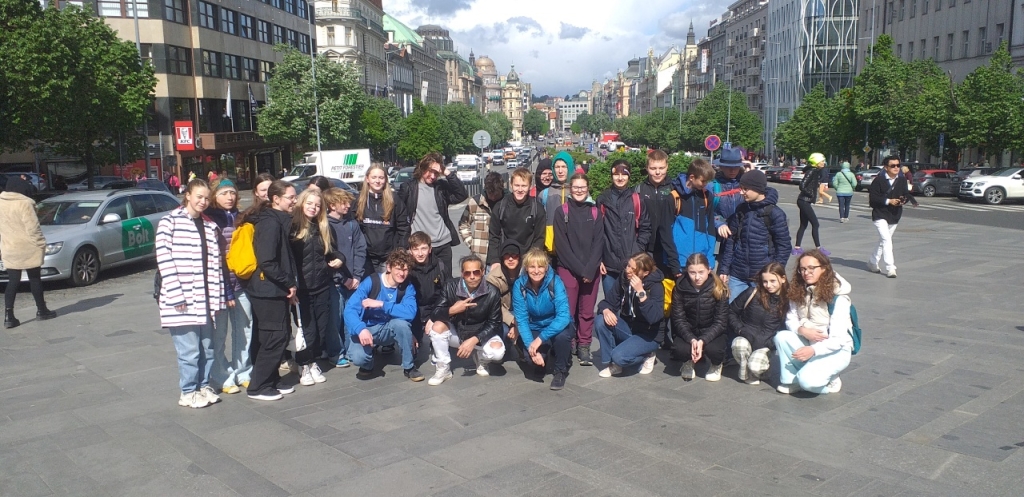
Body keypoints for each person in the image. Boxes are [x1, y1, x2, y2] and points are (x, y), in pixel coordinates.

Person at [155, 179, 225, 408]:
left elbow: (215, 265)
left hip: (206, 297)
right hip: (182, 298)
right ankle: (188, 391)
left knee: (208, 348)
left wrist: (218, 297)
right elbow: (164, 259)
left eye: (207, 198)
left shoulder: (209, 225)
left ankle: (203, 386)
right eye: (199, 197)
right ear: (188, 195)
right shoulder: (170, 222)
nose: (203, 202)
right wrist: (176, 295)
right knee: (189, 350)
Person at [238, 180, 299, 401]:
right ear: (276, 199)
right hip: (267, 289)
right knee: (274, 336)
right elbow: (267, 261)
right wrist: (288, 282)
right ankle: (258, 386)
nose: (294, 201)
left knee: (278, 335)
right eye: (290, 197)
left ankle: (271, 379)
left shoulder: (277, 220)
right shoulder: (270, 223)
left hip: (273, 288)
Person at [775, 250, 853, 394]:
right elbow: (791, 318)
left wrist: (813, 350)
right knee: (782, 337)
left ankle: (830, 378)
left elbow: (839, 339)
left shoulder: (839, 299)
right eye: (803, 269)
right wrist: (802, 330)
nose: (806, 273)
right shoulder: (798, 290)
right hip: (809, 341)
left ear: (823, 268)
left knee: (807, 382)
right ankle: (792, 381)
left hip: (835, 350)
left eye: (812, 268)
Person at [290, 189, 344, 387]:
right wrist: (290, 286)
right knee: (307, 330)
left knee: (321, 329)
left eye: (317, 205)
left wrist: (340, 259)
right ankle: (304, 364)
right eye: (309, 203)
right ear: (302, 203)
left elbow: (333, 252)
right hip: (301, 289)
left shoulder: (324, 227)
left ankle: (312, 362)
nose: (313, 207)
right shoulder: (293, 227)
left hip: (321, 285)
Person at [426, 255, 505, 385]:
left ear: (483, 272)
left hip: (480, 333)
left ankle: (481, 359)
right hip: (457, 332)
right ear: (462, 273)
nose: (472, 277)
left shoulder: (492, 291)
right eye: (467, 273)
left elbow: (495, 323)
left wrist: (474, 340)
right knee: (437, 326)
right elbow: (434, 314)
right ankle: (443, 368)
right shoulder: (450, 286)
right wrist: (452, 310)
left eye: (476, 272)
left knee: (497, 352)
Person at [552, 173, 604, 366]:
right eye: (576, 187)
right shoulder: (561, 212)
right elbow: (562, 246)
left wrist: (590, 269)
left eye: (583, 187)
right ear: (570, 189)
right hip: (568, 268)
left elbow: (599, 242)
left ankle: (584, 345)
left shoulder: (595, 212)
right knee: (568, 311)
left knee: (587, 311)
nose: (579, 190)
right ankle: (569, 342)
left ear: (588, 188)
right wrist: (582, 271)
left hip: (591, 269)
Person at [345, 249, 421, 381]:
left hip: (388, 328)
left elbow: (410, 312)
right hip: (367, 328)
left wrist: (382, 304)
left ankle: (409, 367)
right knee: (358, 357)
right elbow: (349, 309)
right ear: (389, 267)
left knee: (402, 325)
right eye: (398, 269)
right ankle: (367, 364)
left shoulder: (407, 287)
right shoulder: (372, 282)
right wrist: (360, 329)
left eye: (405, 269)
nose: (402, 273)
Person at [206, 179, 252, 395]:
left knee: (245, 331)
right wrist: (225, 289)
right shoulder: (209, 219)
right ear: (214, 195)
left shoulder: (241, 217)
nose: (229, 197)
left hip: (241, 283)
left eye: (232, 193)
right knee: (219, 334)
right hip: (219, 287)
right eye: (224, 193)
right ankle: (222, 376)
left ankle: (244, 372)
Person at [717, 170, 792, 302]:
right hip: (737, 275)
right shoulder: (741, 210)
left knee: (759, 311)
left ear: (757, 189)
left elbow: (784, 247)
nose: (741, 192)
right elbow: (731, 241)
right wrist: (724, 269)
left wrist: (774, 273)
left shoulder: (775, 213)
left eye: (745, 189)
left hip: (762, 277)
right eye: (741, 188)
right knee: (730, 309)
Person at [511, 248, 573, 390]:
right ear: (526, 268)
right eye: (532, 267)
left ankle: (560, 370)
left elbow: (563, 316)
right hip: (535, 325)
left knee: (562, 338)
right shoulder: (519, 285)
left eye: (540, 266)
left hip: (557, 324)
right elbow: (522, 319)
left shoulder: (555, 282)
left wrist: (540, 339)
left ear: (546, 267)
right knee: (531, 358)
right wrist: (531, 346)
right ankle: (541, 361)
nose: (536, 271)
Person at [594, 252, 664, 377]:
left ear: (645, 273)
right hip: (630, 328)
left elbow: (654, 317)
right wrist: (606, 310)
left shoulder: (656, 286)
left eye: (634, 269)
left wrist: (641, 292)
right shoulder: (624, 278)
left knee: (619, 356)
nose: (628, 270)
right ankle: (613, 364)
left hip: (649, 334)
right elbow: (609, 301)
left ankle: (647, 355)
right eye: (628, 266)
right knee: (600, 320)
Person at [0, 176, 56, 328]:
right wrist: (41, 243)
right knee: (34, 278)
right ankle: (41, 310)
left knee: (13, 281)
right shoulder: (25, 203)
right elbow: (33, 228)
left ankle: (9, 316)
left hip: (9, 247)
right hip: (28, 247)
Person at [398, 152, 468, 271]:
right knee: (421, 280)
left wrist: (447, 172)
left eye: (436, 173)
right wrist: (404, 245)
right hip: (420, 246)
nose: (433, 176)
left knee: (445, 280)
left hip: (443, 244)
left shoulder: (440, 188)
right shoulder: (408, 188)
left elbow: (461, 195)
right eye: (430, 171)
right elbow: (399, 216)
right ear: (422, 168)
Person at [670, 253, 730, 381]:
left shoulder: (719, 288)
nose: (697, 277)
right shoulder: (679, 288)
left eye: (701, 272)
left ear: (709, 270)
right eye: (692, 273)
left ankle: (716, 364)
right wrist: (691, 339)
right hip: (689, 330)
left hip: (711, 330)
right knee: (679, 349)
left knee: (715, 350)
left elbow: (721, 321)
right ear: (687, 271)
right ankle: (687, 361)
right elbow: (678, 318)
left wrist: (703, 340)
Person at [597, 160, 651, 297]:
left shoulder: (637, 200)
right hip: (609, 266)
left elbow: (645, 228)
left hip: (632, 265)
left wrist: (637, 250)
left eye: (624, 174)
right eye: (616, 174)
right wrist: (600, 259)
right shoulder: (602, 200)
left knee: (631, 304)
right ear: (611, 176)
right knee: (611, 303)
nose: (620, 178)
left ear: (629, 176)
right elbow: (597, 232)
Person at [324, 187, 365, 368]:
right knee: (335, 318)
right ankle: (336, 352)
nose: (348, 205)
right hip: (335, 282)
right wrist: (342, 278)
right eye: (344, 202)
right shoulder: (325, 225)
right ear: (332, 205)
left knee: (351, 315)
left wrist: (357, 276)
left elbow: (360, 249)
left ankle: (350, 350)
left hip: (353, 280)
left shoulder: (351, 224)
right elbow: (327, 257)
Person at [730, 262, 789, 385]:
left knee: (755, 365)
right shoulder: (752, 293)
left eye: (773, 281)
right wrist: (740, 329)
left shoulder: (788, 301)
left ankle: (761, 370)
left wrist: (772, 343)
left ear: (783, 279)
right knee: (738, 345)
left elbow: (787, 328)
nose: (768, 285)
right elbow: (730, 312)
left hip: (766, 343)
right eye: (765, 281)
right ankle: (746, 368)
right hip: (747, 336)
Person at [487, 168, 545, 273]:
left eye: (524, 186)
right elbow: (494, 236)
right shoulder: (500, 207)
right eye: (517, 185)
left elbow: (539, 238)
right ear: (511, 185)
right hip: (504, 259)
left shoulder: (538, 209)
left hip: (527, 260)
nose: (520, 189)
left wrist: (531, 261)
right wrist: (494, 260)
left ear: (530, 186)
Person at [356, 164, 410, 276]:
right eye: (374, 177)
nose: (377, 181)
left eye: (381, 178)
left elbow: (404, 227)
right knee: (370, 286)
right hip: (366, 258)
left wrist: (400, 251)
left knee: (386, 286)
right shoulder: (358, 201)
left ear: (385, 179)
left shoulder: (394, 199)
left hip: (388, 257)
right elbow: (353, 229)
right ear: (367, 179)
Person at [636, 149, 681, 280]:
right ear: (647, 168)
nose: (657, 172)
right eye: (653, 168)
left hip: (668, 248)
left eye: (661, 168)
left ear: (667, 167)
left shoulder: (674, 189)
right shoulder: (639, 190)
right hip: (646, 248)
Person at [868, 156, 914, 278]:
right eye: (893, 166)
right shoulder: (878, 180)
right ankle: (890, 267)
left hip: (895, 214)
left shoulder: (902, 180)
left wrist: (903, 200)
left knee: (883, 240)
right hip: (880, 214)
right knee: (887, 239)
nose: (896, 168)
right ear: (886, 167)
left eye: (898, 165)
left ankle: (873, 261)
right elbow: (873, 199)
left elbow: (906, 194)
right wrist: (888, 201)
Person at [407, 231, 451, 360]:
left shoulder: (440, 266)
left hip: (434, 309)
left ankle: (435, 346)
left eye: (424, 248)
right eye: (416, 249)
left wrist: (434, 316)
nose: (420, 253)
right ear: (410, 250)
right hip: (413, 312)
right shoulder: (406, 268)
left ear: (430, 249)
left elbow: (447, 294)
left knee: (439, 333)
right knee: (411, 351)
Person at [670, 158, 717, 271]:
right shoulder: (674, 196)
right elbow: (667, 231)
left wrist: (710, 258)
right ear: (692, 177)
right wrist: (673, 260)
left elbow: (710, 229)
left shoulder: (707, 196)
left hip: (702, 259)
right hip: (681, 260)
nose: (705, 184)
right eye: (703, 181)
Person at [485, 240, 524, 361]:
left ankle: (522, 346)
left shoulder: (527, 274)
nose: (511, 259)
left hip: (522, 312)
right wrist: (512, 321)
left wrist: (518, 323)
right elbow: (494, 305)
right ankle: (504, 348)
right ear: (502, 258)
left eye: (514, 255)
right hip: (501, 313)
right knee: (504, 330)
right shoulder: (493, 277)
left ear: (520, 257)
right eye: (507, 255)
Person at [458, 172, 504, 261]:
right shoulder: (475, 202)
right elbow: (463, 224)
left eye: (496, 194)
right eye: (490, 194)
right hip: (480, 257)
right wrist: (472, 244)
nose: (493, 197)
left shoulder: (508, 203)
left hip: (502, 256)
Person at [793, 153, 830, 256]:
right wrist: (810, 194)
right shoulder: (812, 171)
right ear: (816, 162)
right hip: (804, 201)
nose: (823, 163)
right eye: (822, 161)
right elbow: (802, 185)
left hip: (803, 200)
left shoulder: (814, 171)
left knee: (803, 224)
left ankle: (797, 248)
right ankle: (818, 248)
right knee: (815, 224)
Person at [710, 147, 746, 248]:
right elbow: (705, 212)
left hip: (742, 238)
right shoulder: (712, 186)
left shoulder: (746, 185)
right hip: (720, 238)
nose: (732, 170)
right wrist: (719, 223)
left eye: (736, 167)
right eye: (728, 167)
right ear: (721, 167)